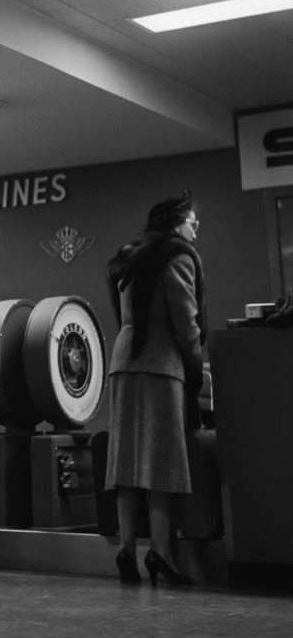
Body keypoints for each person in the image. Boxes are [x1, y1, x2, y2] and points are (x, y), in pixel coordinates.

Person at [105, 191, 206, 587]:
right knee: (162, 461)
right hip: (161, 364)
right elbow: (186, 322)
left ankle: (127, 549)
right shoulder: (178, 257)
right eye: (191, 220)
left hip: (124, 361)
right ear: (174, 223)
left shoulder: (132, 256)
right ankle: (161, 553)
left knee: (127, 460)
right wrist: (195, 367)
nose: (196, 226)